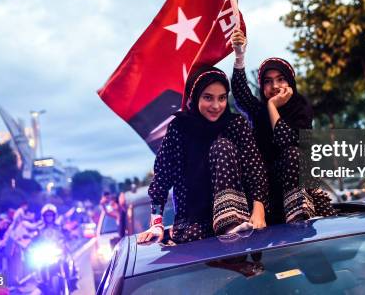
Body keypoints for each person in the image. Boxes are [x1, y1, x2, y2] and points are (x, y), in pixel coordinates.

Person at [137, 66, 268, 244]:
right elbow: (162, 175)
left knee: (222, 146)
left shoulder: (236, 125)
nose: (216, 106)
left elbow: (255, 170)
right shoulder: (179, 128)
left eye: (222, 98)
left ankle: (230, 223)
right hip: (193, 222)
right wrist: (156, 223)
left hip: (241, 223)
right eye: (208, 97)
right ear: (195, 96)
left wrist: (259, 211)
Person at [230, 29, 335, 224]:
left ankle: (297, 216)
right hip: (265, 196)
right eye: (268, 82)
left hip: (301, 197)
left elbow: (287, 142)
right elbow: (240, 94)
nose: (275, 86)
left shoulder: (301, 108)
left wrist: (273, 107)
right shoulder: (259, 111)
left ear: (291, 82)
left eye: (281, 79)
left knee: (292, 153)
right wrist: (239, 56)